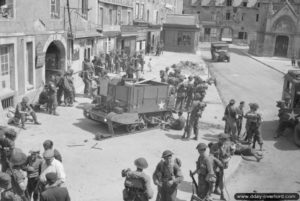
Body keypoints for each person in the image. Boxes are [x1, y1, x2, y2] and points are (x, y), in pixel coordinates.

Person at [209, 133, 232, 201]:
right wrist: (218, 161)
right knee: (212, 179)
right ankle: (209, 193)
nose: (223, 141)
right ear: (219, 139)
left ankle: (217, 189)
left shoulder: (226, 146)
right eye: (222, 139)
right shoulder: (214, 146)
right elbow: (211, 156)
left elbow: (229, 156)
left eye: (225, 140)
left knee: (220, 179)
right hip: (214, 166)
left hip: (221, 166)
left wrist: (226, 161)